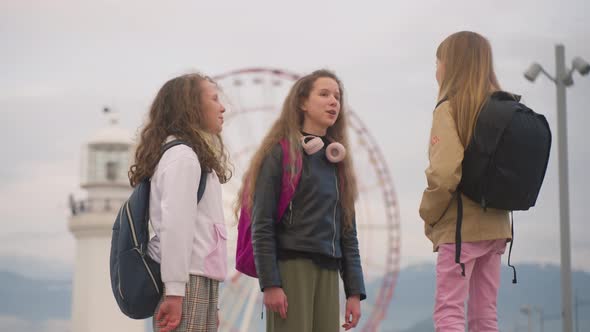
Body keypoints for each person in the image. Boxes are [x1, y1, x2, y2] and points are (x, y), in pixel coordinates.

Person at [235, 69, 366, 332]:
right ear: (303, 103)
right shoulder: (279, 155)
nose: (333, 102)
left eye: (337, 97)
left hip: (329, 271)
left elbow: (347, 232)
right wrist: (271, 284)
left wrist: (354, 292)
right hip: (292, 268)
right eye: (324, 94)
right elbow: (262, 223)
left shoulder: (337, 161)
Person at [419, 31, 512, 332]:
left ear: (452, 65)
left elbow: (445, 173)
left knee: (449, 311)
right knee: (485, 315)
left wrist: (428, 213)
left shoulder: (450, 107)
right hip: (497, 226)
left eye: (439, 62)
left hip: (460, 229)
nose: (436, 70)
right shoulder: (502, 107)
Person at [128, 73, 232, 332]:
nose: (223, 107)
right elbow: (176, 225)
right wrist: (174, 293)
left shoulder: (188, 156)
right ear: (192, 106)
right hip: (187, 281)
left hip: (196, 278)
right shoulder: (183, 157)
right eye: (215, 99)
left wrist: (212, 304)